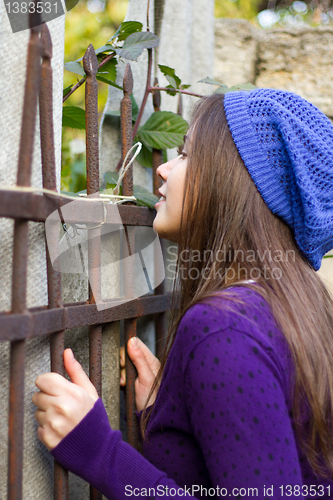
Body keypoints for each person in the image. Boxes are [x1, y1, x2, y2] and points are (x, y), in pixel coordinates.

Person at [33, 88, 333, 499]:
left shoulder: (224, 329)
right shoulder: (300, 302)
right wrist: (175, 413)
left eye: (187, 155)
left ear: (234, 180)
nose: (163, 170)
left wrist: (99, 451)